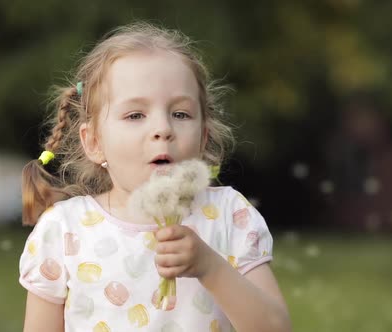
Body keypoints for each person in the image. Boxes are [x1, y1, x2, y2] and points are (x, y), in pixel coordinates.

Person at [18, 22, 291, 332]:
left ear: (203, 137)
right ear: (94, 142)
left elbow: (276, 328)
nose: (163, 128)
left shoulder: (229, 215)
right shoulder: (64, 230)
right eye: (135, 115)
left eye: (180, 114)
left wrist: (210, 267)